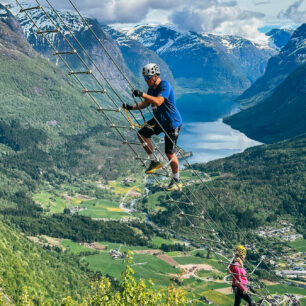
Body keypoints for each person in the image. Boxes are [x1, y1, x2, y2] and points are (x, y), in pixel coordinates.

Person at [122, 63, 182, 191]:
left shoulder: (165, 85)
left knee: (169, 153)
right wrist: (130, 107)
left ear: (155, 76)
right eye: (145, 78)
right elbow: (145, 104)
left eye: (148, 78)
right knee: (142, 134)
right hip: (159, 120)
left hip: (172, 123)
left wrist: (142, 94)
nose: (146, 80)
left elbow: (159, 101)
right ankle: (154, 161)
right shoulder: (151, 89)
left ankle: (177, 179)